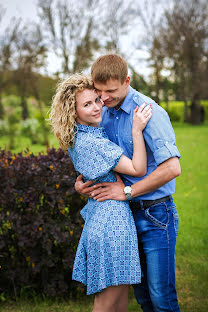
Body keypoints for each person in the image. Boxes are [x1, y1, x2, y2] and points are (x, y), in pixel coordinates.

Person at [75, 54, 181, 312]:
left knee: (161, 297)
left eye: (110, 91)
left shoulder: (148, 112)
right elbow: (101, 156)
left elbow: (172, 168)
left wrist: (127, 191)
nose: (104, 98)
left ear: (127, 81)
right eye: (99, 92)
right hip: (124, 216)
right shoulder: (104, 110)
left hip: (156, 213)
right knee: (143, 297)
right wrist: (83, 183)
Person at [49, 73, 152, 312]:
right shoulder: (95, 143)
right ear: (73, 111)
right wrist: (137, 130)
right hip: (111, 225)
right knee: (107, 304)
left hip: (105, 219)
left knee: (118, 304)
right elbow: (138, 168)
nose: (97, 107)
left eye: (96, 99)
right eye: (87, 104)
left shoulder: (81, 136)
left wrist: (79, 185)